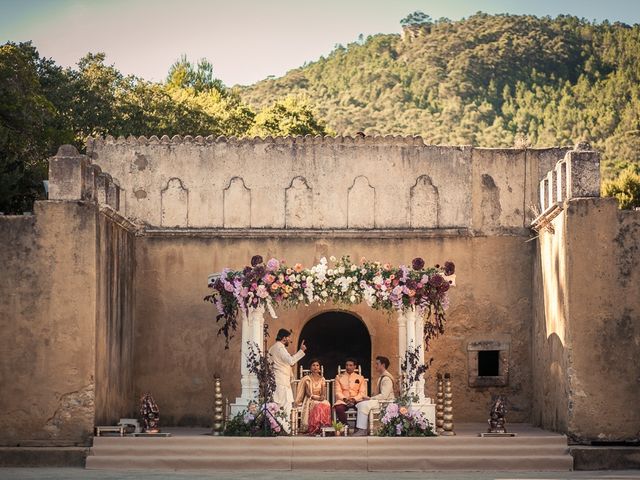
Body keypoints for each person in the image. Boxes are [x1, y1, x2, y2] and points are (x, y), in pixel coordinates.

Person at [268, 328, 306, 432]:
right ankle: (283, 430)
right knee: (284, 406)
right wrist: (301, 351)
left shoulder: (272, 348)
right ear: (284, 338)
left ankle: (280, 429)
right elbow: (290, 361)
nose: (290, 340)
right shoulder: (280, 348)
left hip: (278, 381)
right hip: (281, 381)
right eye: (288, 337)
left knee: (281, 405)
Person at [353, 355, 396, 436]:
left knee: (363, 405)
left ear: (383, 365)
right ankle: (362, 428)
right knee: (361, 403)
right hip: (380, 401)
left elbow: (384, 396)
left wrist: (370, 398)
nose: (375, 366)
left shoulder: (386, 378)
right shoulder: (381, 377)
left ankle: (363, 430)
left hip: (385, 402)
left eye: (377, 364)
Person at [294, 359, 331, 434]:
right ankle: (315, 428)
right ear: (310, 368)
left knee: (327, 404)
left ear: (319, 368)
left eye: (317, 365)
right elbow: (308, 394)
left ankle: (324, 427)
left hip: (320, 399)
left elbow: (323, 393)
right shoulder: (307, 379)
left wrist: (322, 397)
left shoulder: (322, 379)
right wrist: (317, 398)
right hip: (310, 399)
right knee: (317, 405)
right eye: (313, 365)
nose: (315, 367)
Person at [333, 358, 367, 425]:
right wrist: (345, 399)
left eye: (350, 365)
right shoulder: (339, 377)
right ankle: (345, 426)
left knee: (362, 407)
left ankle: (358, 427)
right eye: (347, 365)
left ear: (355, 366)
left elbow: (362, 392)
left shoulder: (360, 378)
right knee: (339, 408)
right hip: (343, 400)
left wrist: (354, 399)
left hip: (356, 400)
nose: (348, 367)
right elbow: (338, 391)